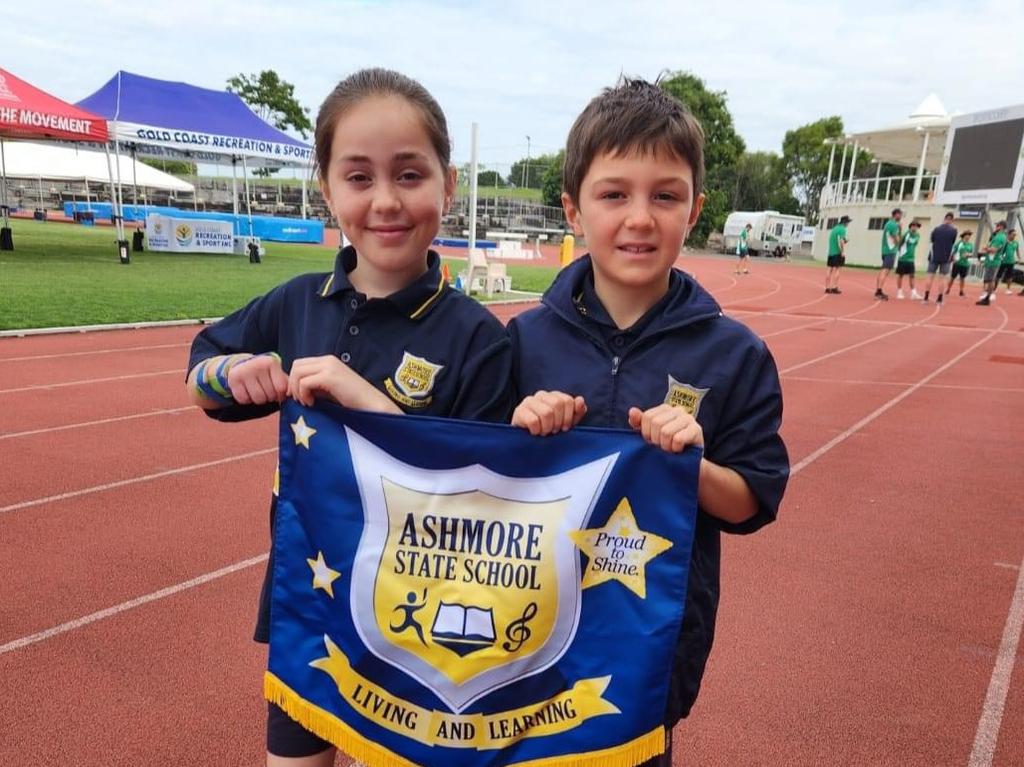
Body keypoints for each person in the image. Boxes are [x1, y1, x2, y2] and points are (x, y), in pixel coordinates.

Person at [186, 68, 514, 767]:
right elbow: (203, 365)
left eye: (410, 175)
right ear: (327, 188)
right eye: (359, 177)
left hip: (417, 618)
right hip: (309, 593)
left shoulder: (479, 337)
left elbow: (477, 490)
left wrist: (360, 394)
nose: (387, 201)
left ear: (448, 185)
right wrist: (228, 375)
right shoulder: (299, 301)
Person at [507, 77, 789, 767]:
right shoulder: (519, 342)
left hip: (649, 641)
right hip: (524, 627)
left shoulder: (735, 354)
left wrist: (689, 463)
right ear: (574, 210)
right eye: (614, 194)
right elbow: (471, 477)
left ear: (693, 209)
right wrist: (515, 428)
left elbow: (754, 498)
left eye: (665, 195)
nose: (640, 217)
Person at [923, 211, 957, 303]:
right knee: (942, 278)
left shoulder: (936, 229)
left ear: (944, 219)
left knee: (930, 276)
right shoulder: (954, 231)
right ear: (952, 220)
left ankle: (926, 297)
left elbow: (932, 240)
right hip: (946, 257)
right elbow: (953, 243)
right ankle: (940, 298)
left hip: (934, 256)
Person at [976, 220, 1008, 305]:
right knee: (991, 279)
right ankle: (988, 296)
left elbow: (994, 250)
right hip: (994, 261)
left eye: (997, 225)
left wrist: (985, 248)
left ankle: (987, 298)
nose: (996, 227)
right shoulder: (1002, 237)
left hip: (993, 261)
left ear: (1001, 226)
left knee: (990, 280)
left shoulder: (999, 237)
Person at [875, 207, 903, 300]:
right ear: (896, 215)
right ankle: (879, 291)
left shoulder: (888, 223)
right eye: (900, 214)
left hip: (885, 250)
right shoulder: (893, 225)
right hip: (890, 250)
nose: (901, 216)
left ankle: (878, 290)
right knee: (885, 270)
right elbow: (896, 239)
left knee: (883, 270)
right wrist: (900, 230)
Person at [894, 220, 922, 299]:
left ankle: (913, 293)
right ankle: (899, 292)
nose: (916, 227)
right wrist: (901, 253)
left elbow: (914, 245)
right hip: (903, 259)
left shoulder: (918, 235)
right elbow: (899, 244)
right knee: (901, 275)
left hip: (911, 259)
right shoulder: (906, 234)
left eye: (917, 226)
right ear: (911, 226)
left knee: (912, 276)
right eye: (914, 226)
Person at [945, 230, 974, 298]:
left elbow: (971, 253)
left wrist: (968, 255)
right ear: (963, 236)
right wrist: (953, 258)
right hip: (957, 263)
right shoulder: (959, 244)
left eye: (969, 235)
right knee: (952, 277)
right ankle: (948, 289)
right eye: (967, 235)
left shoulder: (970, 245)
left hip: (965, 264)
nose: (968, 236)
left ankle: (961, 291)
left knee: (962, 278)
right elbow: (953, 252)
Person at [825, 215, 850, 294]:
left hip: (831, 252)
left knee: (829, 269)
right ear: (845, 222)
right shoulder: (842, 229)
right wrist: (842, 251)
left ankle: (827, 287)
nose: (848, 224)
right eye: (848, 222)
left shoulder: (834, 229)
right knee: (837, 269)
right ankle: (834, 287)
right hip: (837, 252)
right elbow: (841, 241)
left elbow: (836, 240)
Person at [996, 228, 1019, 295]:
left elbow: (1017, 251)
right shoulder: (1004, 241)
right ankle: (995, 288)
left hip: (1011, 261)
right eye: (1013, 235)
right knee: (998, 275)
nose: (1014, 236)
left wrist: (1019, 257)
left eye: (1015, 235)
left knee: (1010, 276)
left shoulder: (1016, 243)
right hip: (1002, 261)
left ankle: (1008, 289)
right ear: (1009, 234)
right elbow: (999, 249)